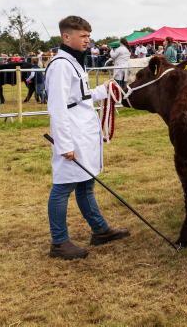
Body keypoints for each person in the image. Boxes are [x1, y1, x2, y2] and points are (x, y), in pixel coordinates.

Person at [45, 16, 129, 260]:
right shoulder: (61, 64)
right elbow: (58, 107)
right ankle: (59, 242)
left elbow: (78, 96)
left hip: (83, 131)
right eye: (82, 36)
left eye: (88, 36)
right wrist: (64, 144)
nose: (87, 40)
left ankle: (100, 230)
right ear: (66, 37)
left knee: (86, 182)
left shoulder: (74, 62)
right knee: (62, 188)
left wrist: (101, 91)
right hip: (71, 133)